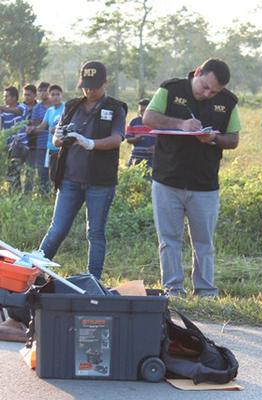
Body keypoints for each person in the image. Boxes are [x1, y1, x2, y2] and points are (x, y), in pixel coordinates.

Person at [143, 59, 241, 298]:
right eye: (205, 87)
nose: (207, 93)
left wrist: (215, 139)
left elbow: (233, 139)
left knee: (204, 243)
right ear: (197, 72)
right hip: (167, 179)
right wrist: (182, 124)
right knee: (169, 239)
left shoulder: (228, 101)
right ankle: (173, 289)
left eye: (213, 91)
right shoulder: (171, 89)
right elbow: (149, 117)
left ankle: (206, 291)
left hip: (204, 183)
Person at [38, 61, 127, 280]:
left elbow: (117, 139)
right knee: (57, 229)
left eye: (94, 85)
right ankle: (35, 272)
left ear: (105, 82)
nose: (89, 90)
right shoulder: (72, 106)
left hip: (100, 181)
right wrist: (61, 137)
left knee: (95, 232)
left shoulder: (116, 107)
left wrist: (90, 143)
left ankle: (93, 280)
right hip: (70, 178)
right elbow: (57, 138)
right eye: (85, 85)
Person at [28, 84, 65, 181]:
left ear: (62, 95)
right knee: (47, 174)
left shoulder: (66, 108)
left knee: (61, 174)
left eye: (58, 94)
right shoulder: (49, 111)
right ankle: (46, 195)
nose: (55, 97)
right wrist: (32, 129)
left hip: (63, 147)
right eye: (53, 94)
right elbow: (42, 127)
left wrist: (57, 129)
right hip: (51, 147)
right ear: (49, 96)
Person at [25, 82, 52, 192]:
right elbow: (34, 124)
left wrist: (41, 123)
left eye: (44, 90)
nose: (42, 93)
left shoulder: (56, 106)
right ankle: (43, 196)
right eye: (40, 90)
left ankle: (53, 195)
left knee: (54, 171)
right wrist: (43, 124)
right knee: (42, 172)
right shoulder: (37, 108)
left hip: (55, 145)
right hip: (41, 144)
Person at [1, 86, 28, 192]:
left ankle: (16, 194)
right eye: (4, 96)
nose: (4, 99)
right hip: (9, 146)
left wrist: (2, 108)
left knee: (14, 169)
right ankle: (14, 194)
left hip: (21, 145)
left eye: (6, 96)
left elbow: (17, 112)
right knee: (12, 172)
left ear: (14, 97)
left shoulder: (22, 107)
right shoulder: (3, 112)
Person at [125, 98, 155, 169]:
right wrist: (135, 139)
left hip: (152, 159)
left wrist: (156, 147)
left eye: (145, 111)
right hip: (136, 158)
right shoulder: (134, 122)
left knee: (149, 179)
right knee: (132, 179)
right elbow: (128, 139)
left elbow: (163, 140)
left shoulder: (157, 123)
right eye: (141, 110)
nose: (143, 113)